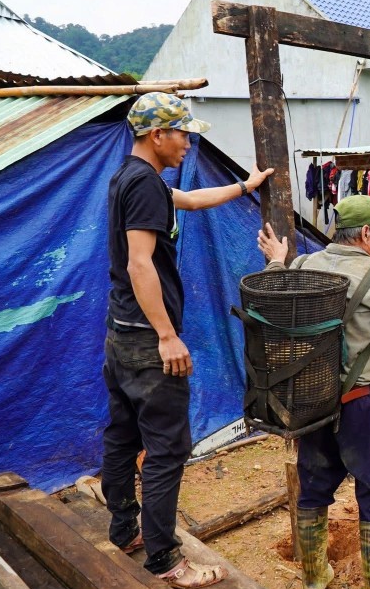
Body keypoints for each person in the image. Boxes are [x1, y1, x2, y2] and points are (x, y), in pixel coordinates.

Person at [102, 92, 274, 587]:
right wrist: (167, 335)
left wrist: (245, 186)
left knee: (122, 435)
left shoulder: (133, 180)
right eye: (182, 133)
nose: (187, 142)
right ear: (157, 135)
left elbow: (192, 200)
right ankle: (165, 561)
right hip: (147, 340)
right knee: (167, 449)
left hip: (121, 334)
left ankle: (124, 530)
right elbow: (139, 263)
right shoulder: (143, 185)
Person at [257, 195, 370, 589]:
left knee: (314, 485)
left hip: (311, 400)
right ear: (365, 232)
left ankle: (315, 577)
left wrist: (278, 260)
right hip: (362, 401)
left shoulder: (305, 265)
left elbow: (279, 304)